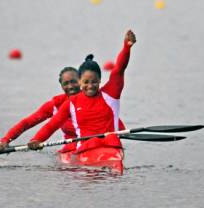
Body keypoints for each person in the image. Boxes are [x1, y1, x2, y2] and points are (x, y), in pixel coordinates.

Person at [27, 29, 136, 172]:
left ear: (100, 81)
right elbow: (52, 125)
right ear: (79, 81)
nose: (90, 86)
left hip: (112, 147)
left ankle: (111, 167)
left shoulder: (111, 94)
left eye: (94, 82)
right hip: (85, 150)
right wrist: (37, 140)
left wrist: (126, 48)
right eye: (86, 82)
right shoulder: (72, 103)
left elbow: (119, 70)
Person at [0, 67, 126, 153]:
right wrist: (6, 140)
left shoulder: (96, 101)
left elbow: (116, 123)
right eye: (66, 83)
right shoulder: (55, 105)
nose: (71, 87)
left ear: (81, 81)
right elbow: (27, 123)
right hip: (72, 148)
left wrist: (120, 134)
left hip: (101, 145)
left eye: (74, 82)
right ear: (61, 86)